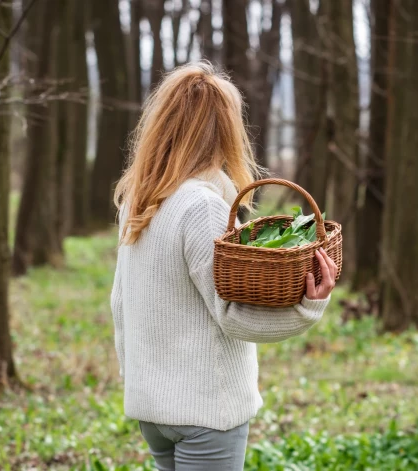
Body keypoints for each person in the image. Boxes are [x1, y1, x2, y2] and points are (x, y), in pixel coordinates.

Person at [110, 62, 338, 471]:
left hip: (152, 410)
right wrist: (309, 305)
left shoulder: (138, 201)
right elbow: (233, 316)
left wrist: (138, 379)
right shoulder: (202, 207)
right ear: (224, 129)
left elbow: (119, 303)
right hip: (205, 412)